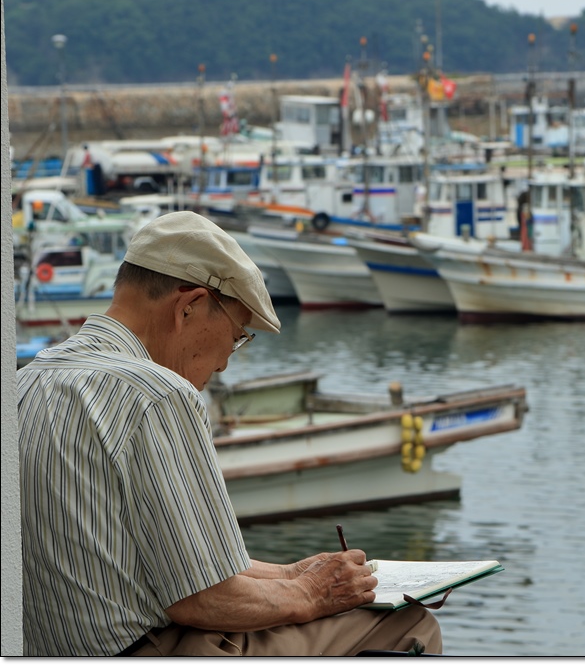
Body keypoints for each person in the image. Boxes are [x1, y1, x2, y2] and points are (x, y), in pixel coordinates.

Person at [17, 211, 442, 657]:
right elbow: (203, 597)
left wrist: (291, 573)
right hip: (150, 650)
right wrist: (313, 594)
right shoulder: (158, 395)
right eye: (236, 337)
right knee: (409, 621)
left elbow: (166, 563)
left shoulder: (28, 382)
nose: (223, 363)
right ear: (189, 306)